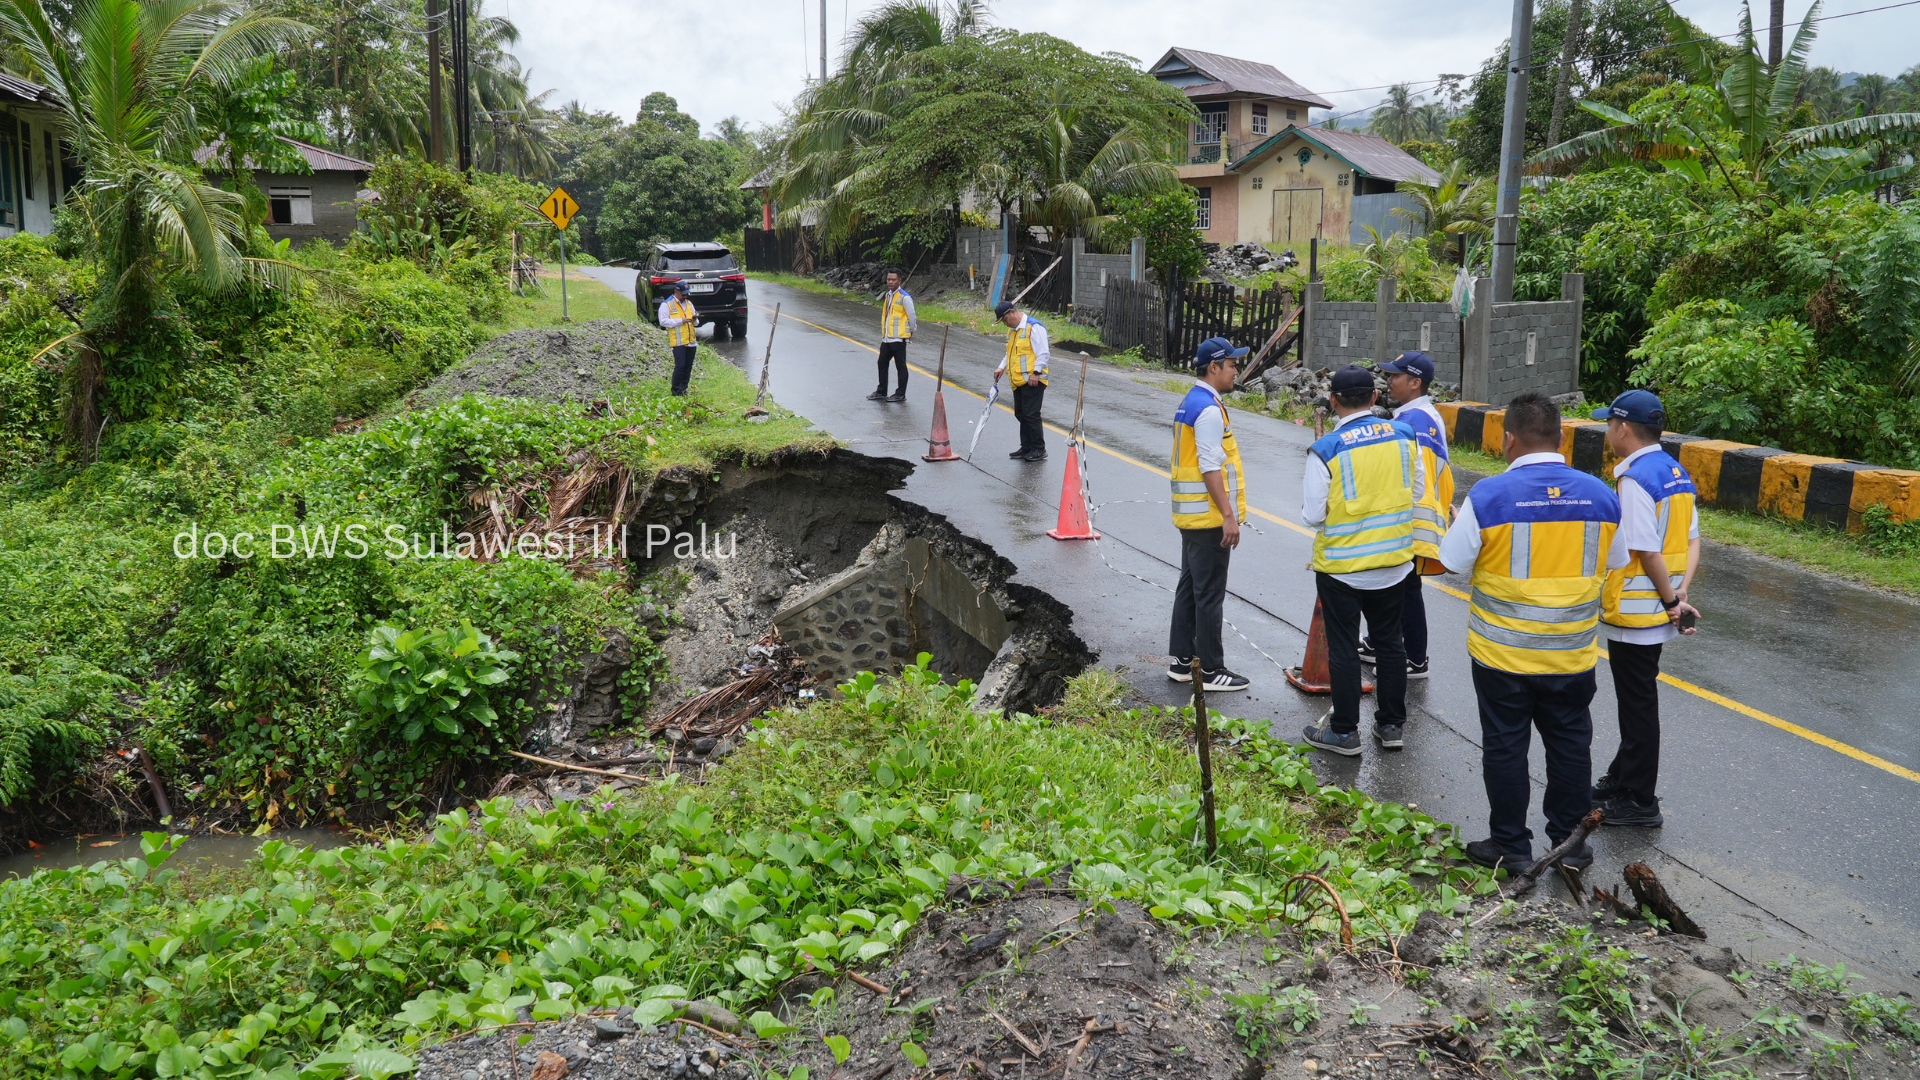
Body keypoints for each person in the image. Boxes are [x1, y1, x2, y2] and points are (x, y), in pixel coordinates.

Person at [1437, 391, 1627, 875]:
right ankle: (1571, 846)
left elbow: (1452, 562)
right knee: (1569, 747)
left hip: (1503, 655)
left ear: (1507, 441)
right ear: (1561, 437)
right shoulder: (1602, 496)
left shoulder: (1487, 496)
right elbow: (1616, 561)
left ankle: (1510, 847)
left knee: (1505, 746)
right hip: (1570, 655)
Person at [1299, 365, 1424, 756]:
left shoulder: (1327, 448)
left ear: (1333, 402)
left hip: (1343, 569)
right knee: (1391, 645)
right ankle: (1390, 726)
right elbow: (1417, 489)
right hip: (1395, 563)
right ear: (1374, 398)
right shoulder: (1405, 435)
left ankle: (1343, 732)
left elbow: (1314, 515)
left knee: (1343, 649)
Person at [1592, 389, 1702, 828]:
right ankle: (1622, 777)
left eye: (1608, 424)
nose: (1606, 432)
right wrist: (1679, 595)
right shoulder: (1675, 472)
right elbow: (1692, 540)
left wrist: (1671, 599)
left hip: (1639, 611)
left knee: (1637, 705)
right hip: (1660, 605)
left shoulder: (1636, 478)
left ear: (1622, 429)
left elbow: (1645, 549)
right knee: (1637, 700)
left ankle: (1639, 800)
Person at [1359, 351, 1453, 681]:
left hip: (1415, 518)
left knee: (1405, 587)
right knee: (1396, 584)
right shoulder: (1420, 416)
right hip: (1418, 514)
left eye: (1396, 376)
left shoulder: (1416, 423)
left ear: (1415, 383)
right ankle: (1378, 642)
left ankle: (1414, 657)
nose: (1389, 381)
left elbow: (1417, 479)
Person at [1167, 337, 1253, 693]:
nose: (1237, 370)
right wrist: (1228, 515)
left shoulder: (1195, 400)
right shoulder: (1208, 409)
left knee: (1190, 587)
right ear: (1213, 367)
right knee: (1209, 593)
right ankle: (1211, 669)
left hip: (1193, 516)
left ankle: (1183, 662)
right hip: (1207, 518)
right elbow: (1209, 466)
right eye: (1232, 364)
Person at [992, 301, 1048, 461]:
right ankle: (1027, 447)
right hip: (1018, 380)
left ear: (1012, 313)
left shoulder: (1034, 327)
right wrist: (1001, 367)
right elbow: (1010, 353)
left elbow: (1044, 353)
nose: (1005, 324)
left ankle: (1038, 448)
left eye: (1004, 320)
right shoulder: (1014, 331)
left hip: (1033, 380)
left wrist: (1036, 373)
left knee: (1031, 415)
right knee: (1021, 413)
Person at [869, 268, 916, 402]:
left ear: (899, 281)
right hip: (887, 338)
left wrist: (911, 332)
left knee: (900, 366)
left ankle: (900, 394)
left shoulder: (904, 297)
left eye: (893, 280)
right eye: (889, 279)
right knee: (882, 363)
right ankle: (881, 391)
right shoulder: (889, 295)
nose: (890, 282)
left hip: (899, 338)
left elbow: (912, 316)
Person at [659, 281, 699, 396]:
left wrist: (695, 318)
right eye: (683, 294)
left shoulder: (689, 303)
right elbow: (663, 321)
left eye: (687, 294)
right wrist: (681, 321)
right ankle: (676, 391)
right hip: (678, 341)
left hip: (691, 340)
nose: (685, 297)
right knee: (680, 366)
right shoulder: (667, 304)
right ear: (676, 292)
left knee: (688, 367)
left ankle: (684, 389)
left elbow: (696, 323)